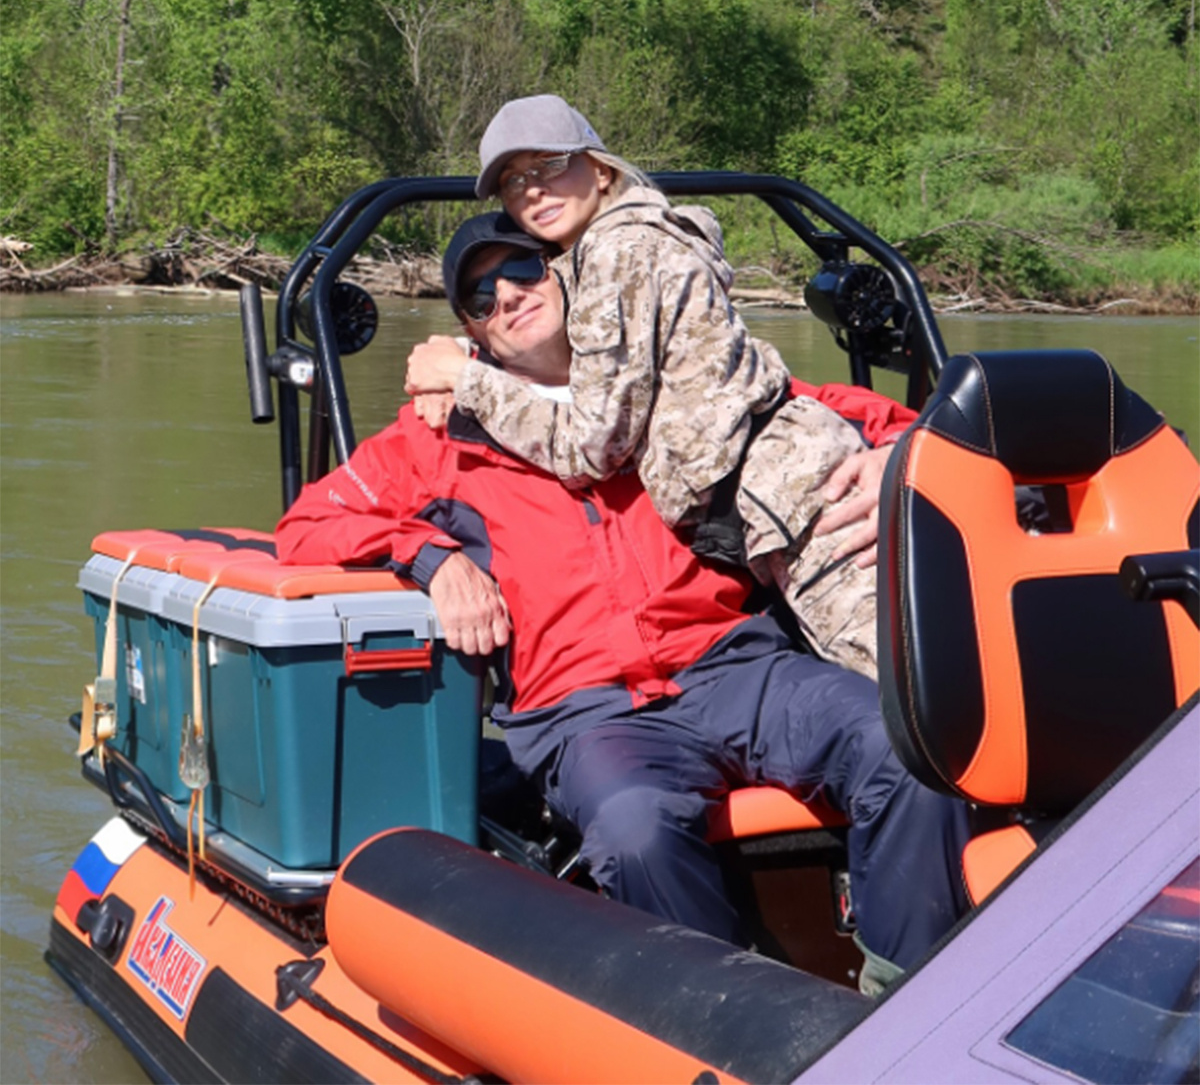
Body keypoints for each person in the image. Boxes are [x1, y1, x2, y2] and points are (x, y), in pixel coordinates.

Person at [276, 212, 970, 993]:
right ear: (471, 330)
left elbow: (861, 414)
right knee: (636, 828)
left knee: (907, 745)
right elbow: (309, 525)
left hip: (733, 666)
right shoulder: (438, 437)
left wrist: (899, 455)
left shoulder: (676, 387)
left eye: (524, 270)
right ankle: (718, 1022)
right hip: (586, 710)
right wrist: (432, 560)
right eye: (480, 294)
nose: (507, 295)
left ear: (570, 282)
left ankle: (906, 998)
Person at [404, 94, 887, 679]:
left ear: (601, 171)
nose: (532, 190)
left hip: (804, 504)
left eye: (550, 164)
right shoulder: (648, 239)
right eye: (512, 181)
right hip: (786, 495)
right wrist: (467, 357)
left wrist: (465, 380)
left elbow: (590, 449)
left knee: (910, 686)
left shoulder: (617, 254)